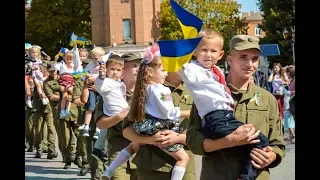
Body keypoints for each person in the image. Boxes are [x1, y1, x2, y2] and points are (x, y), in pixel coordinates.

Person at [186, 34, 285, 180]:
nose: (250, 64)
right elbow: (193, 140)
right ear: (230, 59)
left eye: (255, 59)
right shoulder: (208, 93)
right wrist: (229, 141)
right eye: (243, 57)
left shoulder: (267, 99)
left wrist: (270, 156)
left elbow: (278, 144)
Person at [104, 44, 190, 180]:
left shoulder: (143, 88)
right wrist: (188, 113)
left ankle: (109, 170)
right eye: (163, 70)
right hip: (159, 132)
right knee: (183, 158)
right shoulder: (161, 89)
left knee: (132, 146)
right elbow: (168, 112)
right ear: (151, 72)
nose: (166, 73)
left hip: (144, 126)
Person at [89, 52, 142, 180]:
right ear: (125, 69)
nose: (138, 69)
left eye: (139, 66)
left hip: (142, 153)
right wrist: (119, 117)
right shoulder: (110, 93)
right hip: (119, 150)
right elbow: (101, 124)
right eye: (134, 65)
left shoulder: (145, 92)